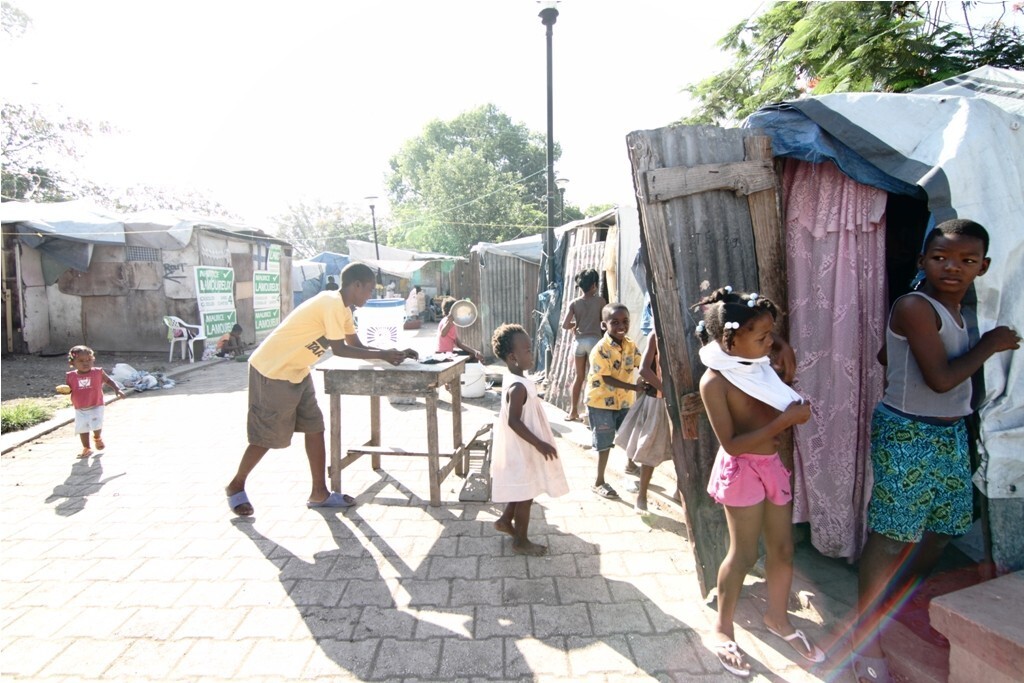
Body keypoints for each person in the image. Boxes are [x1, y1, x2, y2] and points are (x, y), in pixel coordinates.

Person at [852, 220, 1020, 683]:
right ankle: (865, 639)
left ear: (983, 266)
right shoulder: (915, 305)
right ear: (922, 260)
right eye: (941, 258)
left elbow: (887, 357)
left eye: (967, 260)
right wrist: (991, 345)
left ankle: (898, 602)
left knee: (944, 527)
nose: (953, 267)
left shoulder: (956, 309)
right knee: (892, 535)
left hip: (947, 432)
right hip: (907, 432)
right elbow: (941, 379)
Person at [693, 286, 823, 677]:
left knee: (782, 549)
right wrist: (785, 421)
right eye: (763, 336)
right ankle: (722, 627)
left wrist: (779, 344)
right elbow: (732, 444)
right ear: (730, 340)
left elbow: (770, 350)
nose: (770, 343)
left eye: (771, 335)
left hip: (771, 466)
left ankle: (777, 618)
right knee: (744, 554)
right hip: (742, 470)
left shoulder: (760, 365)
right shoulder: (715, 382)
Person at [225, 262, 418, 516]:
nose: (370, 295)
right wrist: (383, 355)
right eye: (369, 289)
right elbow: (340, 350)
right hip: (273, 371)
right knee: (267, 437)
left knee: (315, 428)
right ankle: (236, 484)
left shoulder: (345, 311)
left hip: (298, 371)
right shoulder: (331, 303)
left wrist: (391, 353)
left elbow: (357, 345)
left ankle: (319, 493)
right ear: (356, 285)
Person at [490, 323, 570, 555]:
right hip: (521, 448)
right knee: (526, 496)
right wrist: (540, 443)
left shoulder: (517, 378)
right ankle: (521, 541)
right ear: (513, 357)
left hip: (522, 446)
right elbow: (514, 421)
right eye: (527, 350)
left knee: (522, 488)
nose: (531, 353)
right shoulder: (517, 387)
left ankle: (505, 520)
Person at [585, 303, 644, 499]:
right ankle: (599, 481)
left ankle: (630, 465)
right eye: (615, 322)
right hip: (601, 403)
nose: (621, 326)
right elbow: (607, 378)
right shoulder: (600, 349)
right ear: (604, 325)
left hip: (624, 401)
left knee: (629, 435)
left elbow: (641, 364)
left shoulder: (630, 345)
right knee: (604, 442)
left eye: (625, 321)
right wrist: (635, 387)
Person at [614, 330, 672, 513]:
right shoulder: (656, 334)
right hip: (658, 399)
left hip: (675, 400)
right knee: (649, 446)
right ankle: (642, 496)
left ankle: (679, 492)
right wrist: (666, 389)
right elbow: (644, 369)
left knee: (680, 448)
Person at [64, 345, 126, 458]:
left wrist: (117, 389)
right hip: (80, 407)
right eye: (81, 361)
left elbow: (109, 380)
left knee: (96, 425)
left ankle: (97, 438)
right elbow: (70, 389)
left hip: (96, 404)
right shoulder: (71, 376)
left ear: (93, 360)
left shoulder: (97, 372)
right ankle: (86, 448)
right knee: (82, 428)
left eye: (89, 360)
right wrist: (65, 390)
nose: (85, 363)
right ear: (72, 363)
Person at [561, 268, 607, 421]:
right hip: (594, 342)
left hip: (579, 343)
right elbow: (605, 323)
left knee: (579, 377)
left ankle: (573, 412)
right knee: (594, 377)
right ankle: (590, 413)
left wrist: (577, 324)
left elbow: (565, 325)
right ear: (594, 285)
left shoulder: (574, 303)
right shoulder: (600, 301)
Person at [436, 297, 484, 362]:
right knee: (473, 356)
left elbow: (459, 344)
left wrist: (475, 351)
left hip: (448, 352)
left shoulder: (451, 323)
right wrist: (449, 322)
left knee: (474, 354)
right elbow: (443, 333)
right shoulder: (447, 321)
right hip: (443, 354)